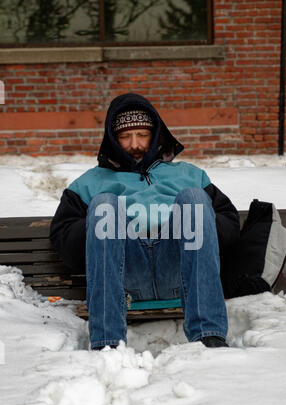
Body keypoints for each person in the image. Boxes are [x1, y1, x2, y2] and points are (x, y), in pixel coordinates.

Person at [50, 93, 240, 350]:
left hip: (181, 269)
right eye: (125, 136)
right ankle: (107, 343)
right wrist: (102, 227)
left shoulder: (190, 175)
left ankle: (209, 335)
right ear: (113, 139)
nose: (135, 144)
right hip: (125, 273)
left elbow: (229, 222)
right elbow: (63, 238)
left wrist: (196, 223)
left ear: (156, 135)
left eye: (142, 135)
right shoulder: (89, 183)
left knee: (193, 199)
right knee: (105, 204)